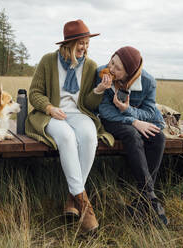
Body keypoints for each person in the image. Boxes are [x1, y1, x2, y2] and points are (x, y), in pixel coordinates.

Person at [25, 19, 114, 232]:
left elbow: (89, 105)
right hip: (53, 114)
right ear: (68, 44)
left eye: (87, 43)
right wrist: (49, 108)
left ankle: (72, 197)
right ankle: (84, 205)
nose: (85, 48)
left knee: (89, 137)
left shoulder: (91, 66)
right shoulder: (48, 61)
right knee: (66, 137)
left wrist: (99, 90)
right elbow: (34, 93)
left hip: (79, 113)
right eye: (81, 43)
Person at [97, 46, 169, 225]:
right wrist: (133, 121)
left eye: (118, 68)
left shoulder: (148, 82)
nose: (111, 69)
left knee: (158, 137)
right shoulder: (101, 73)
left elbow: (150, 112)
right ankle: (151, 199)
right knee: (132, 134)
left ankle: (142, 201)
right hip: (112, 121)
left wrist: (128, 110)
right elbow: (104, 109)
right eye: (111, 61)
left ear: (130, 73)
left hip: (134, 117)